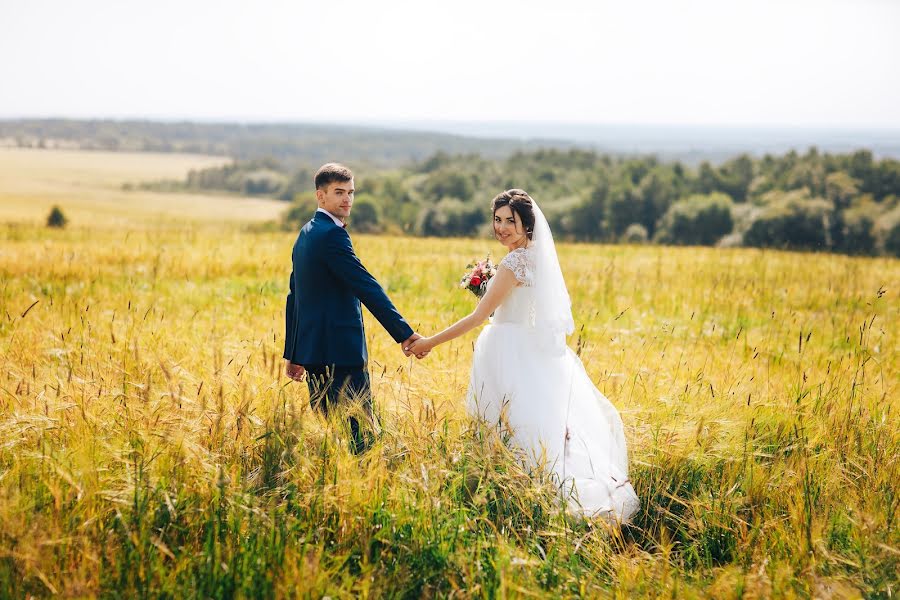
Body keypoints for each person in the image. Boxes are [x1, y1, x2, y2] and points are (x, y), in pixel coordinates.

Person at [408, 189, 640, 523]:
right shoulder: (535, 258)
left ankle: (523, 498)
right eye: (497, 220)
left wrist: (429, 341)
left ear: (527, 225)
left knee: (511, 427)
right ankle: (538, 496)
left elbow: (478, 317)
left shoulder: (514, 262)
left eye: (510, 221)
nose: (501, 228)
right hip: (531, 349)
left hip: (507, 350)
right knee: (537, 426)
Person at [284, 163, 424, 454]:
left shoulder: (306, 233)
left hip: (314, 354)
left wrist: (295, 352)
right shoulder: (332, 235)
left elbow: (294, 296)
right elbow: (366, 285)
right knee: (361, 436)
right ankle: (364, 487)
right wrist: (405, 334)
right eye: (339, 192)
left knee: (332, 434)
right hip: (341, 353)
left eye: (350, 192)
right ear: (320, 196)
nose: (347, 199)